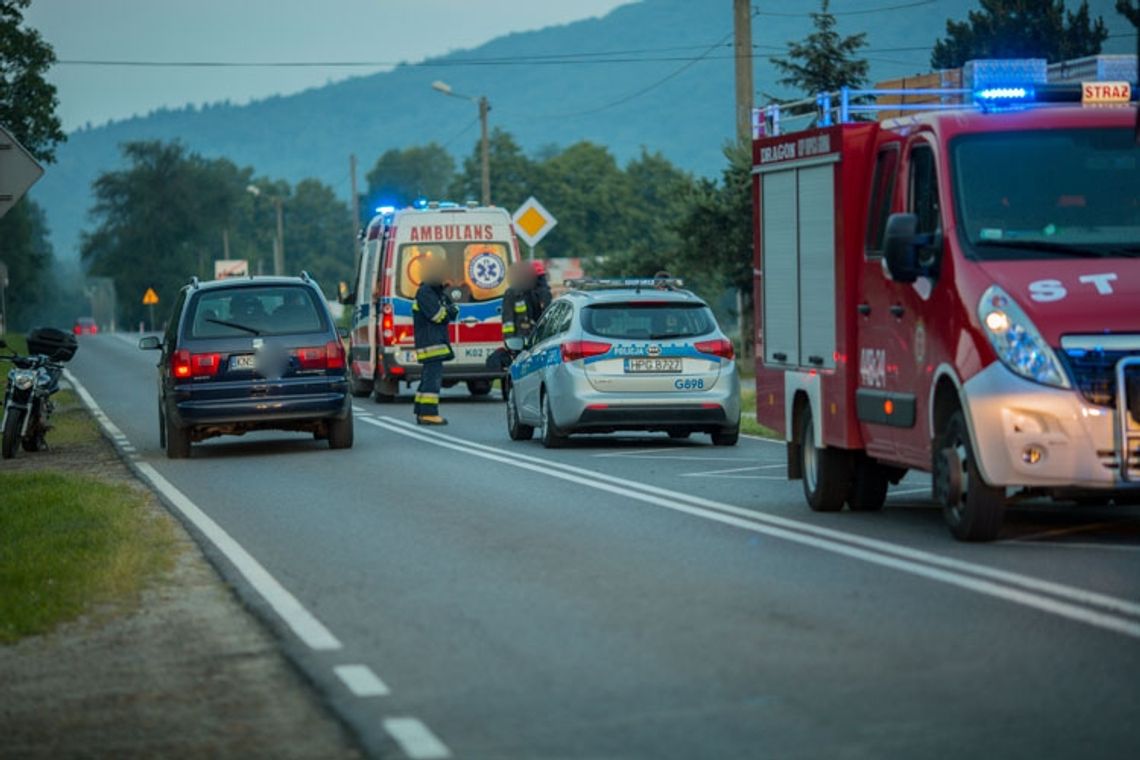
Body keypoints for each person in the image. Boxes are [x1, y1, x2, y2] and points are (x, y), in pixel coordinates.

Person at [412, 257, 458, 425]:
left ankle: (420, 410)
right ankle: (429, 413)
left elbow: (452, 309)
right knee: (433, 379)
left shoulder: (435, 292)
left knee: (428, 377)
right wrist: (449, 312)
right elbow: (437, 316)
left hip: (434, 343)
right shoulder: (425, 292)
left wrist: (450, 308)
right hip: (431, 344)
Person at [501, 261, 537, 343]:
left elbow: (536, 314)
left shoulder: (531, 293)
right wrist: (510, 339)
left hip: (531, 335)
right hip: (518, 336)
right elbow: (508, 318)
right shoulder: (511, 293)